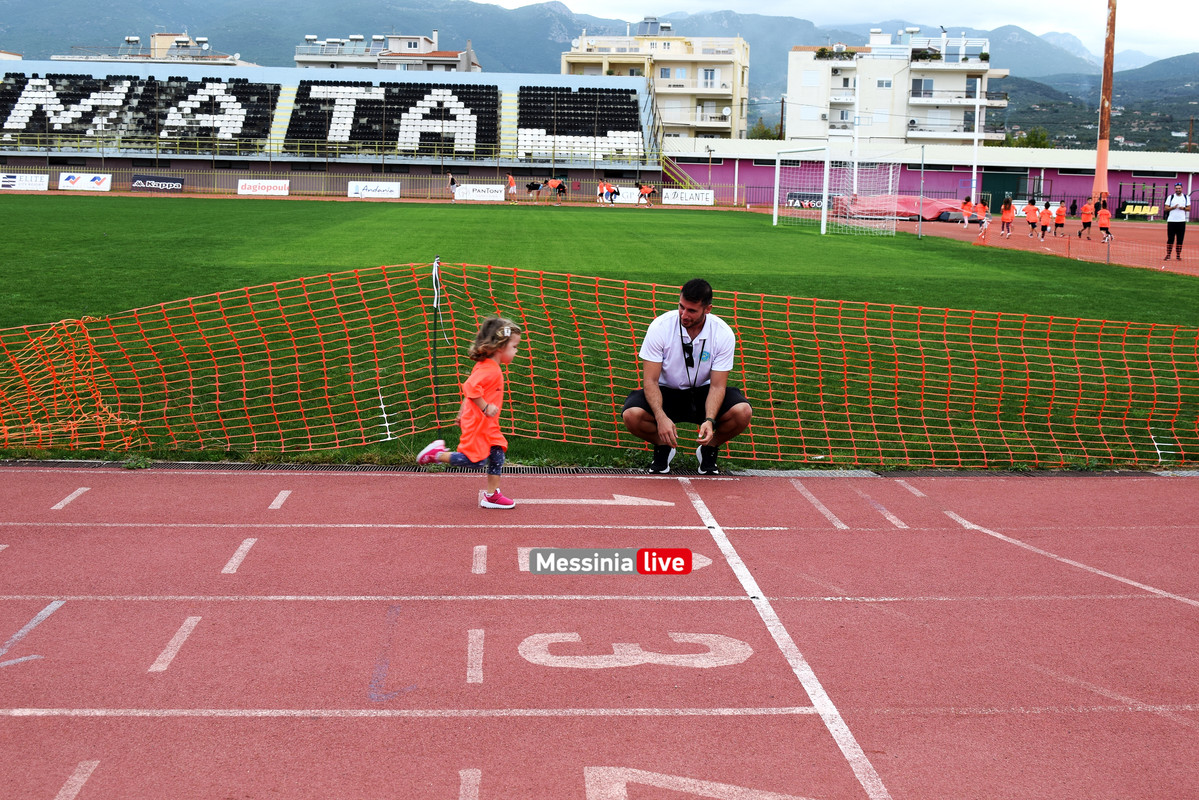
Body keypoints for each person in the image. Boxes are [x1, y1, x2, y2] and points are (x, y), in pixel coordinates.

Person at [621, 279, 752, 475]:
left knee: (743, 412)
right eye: (681, 307)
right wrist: (660, 416)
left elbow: (717, 386)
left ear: (707, 309)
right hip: (666, 392)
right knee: (631, 415)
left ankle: (708, 448)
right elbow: (650, 381)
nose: (684, 314)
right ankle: (663, 446)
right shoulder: (660, 327)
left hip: (703, 393)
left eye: (691, 311)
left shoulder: (723, 333)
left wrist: (710, 420)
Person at [418, 316, 523, 509]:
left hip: (488, 425)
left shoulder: (489, 367)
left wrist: (461, 412)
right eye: (514, 347)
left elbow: (471, 389)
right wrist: (486, 407)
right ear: (501, 347)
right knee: (476, 461)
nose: (516, 351)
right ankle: (437, 454)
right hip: (479, 423)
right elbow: (471, 387)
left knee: (497, 453)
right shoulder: (490, 370)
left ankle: (492, 495)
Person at [1164, 182, 1191, 261]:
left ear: (1182, 189)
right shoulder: (1171, 197)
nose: (1178, 190)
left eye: (1179, 188)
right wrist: (1173, 207)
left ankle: (1178, 255)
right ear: (1175, 189)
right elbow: (1166, 208)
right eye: (1176, 188)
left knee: (1180, 239)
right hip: (1172, 221)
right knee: (1170, 238)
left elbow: (1189, 208)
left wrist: (1183, 208)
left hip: (1181, 221)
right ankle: (1168, 254)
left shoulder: (1186, 197)